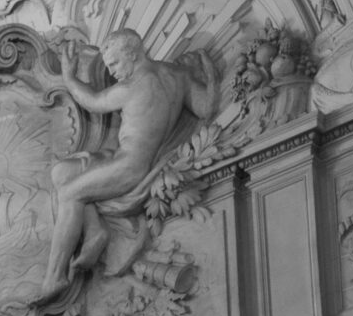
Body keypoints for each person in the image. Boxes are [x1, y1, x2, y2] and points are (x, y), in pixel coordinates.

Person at [36, 28, 218, 302]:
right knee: (61, 171)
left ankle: (55, 278)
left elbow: (93, 102)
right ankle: (95, 231)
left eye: (116, 63)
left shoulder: (131, 87)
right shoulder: (178, 77)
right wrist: (211, 76)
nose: (113, 72)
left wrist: (69, 77)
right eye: (109, 66)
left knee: (68, 193)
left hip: (131, 167)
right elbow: (205, 108)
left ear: (133, 53)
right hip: (120, 157)